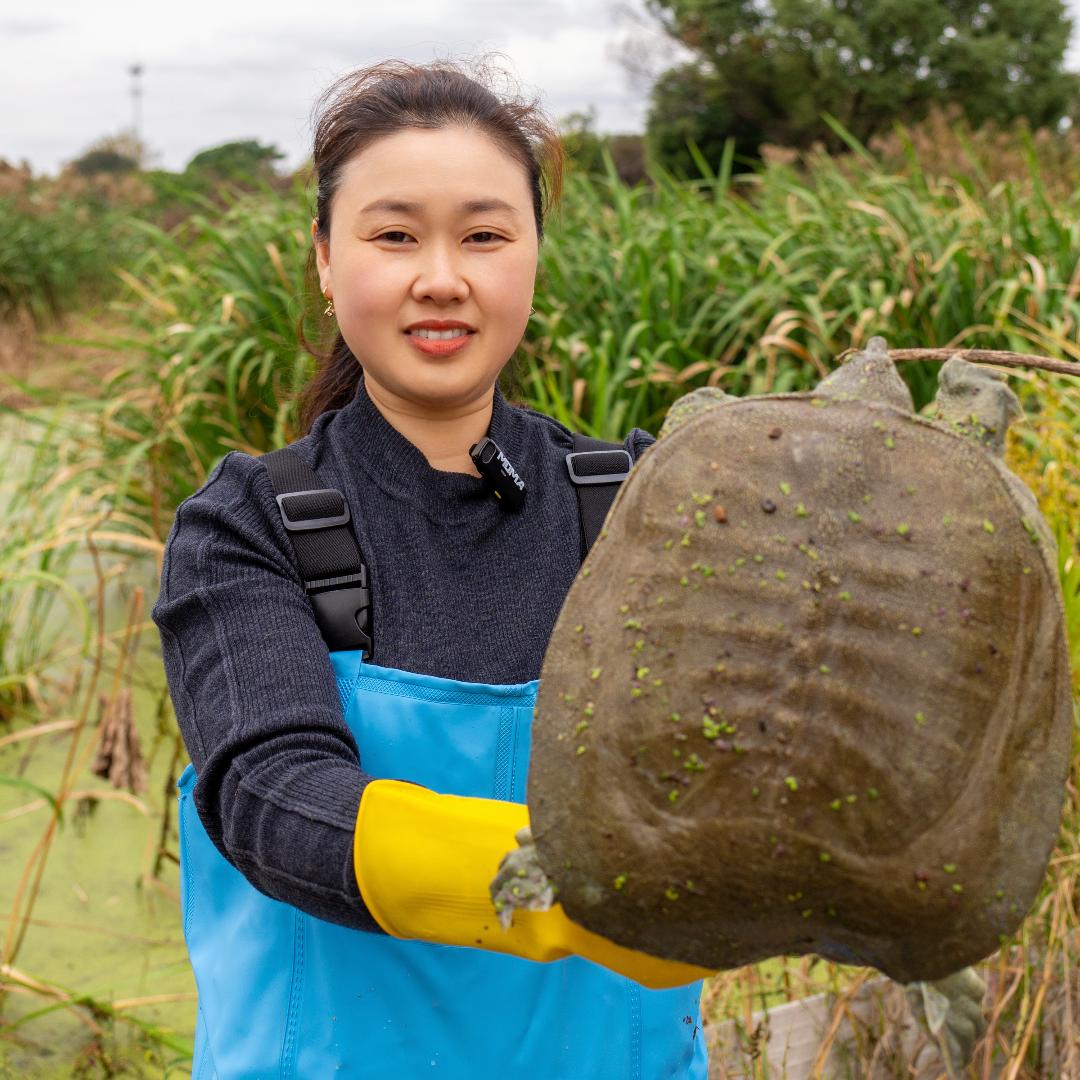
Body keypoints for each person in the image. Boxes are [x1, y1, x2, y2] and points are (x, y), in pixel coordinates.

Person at [152, 58, 713, 1079]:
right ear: (325, 259)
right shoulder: (245, 524)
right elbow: (272, 799)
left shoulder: (647, 501)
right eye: (395, 234)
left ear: (535, 255)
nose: (442, 276)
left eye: (486, 234)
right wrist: (559, 891)